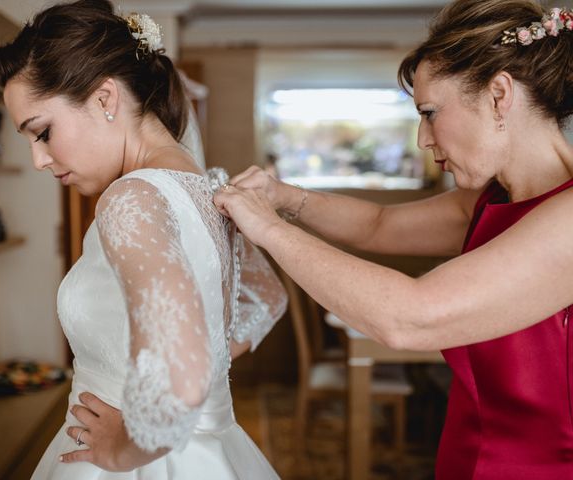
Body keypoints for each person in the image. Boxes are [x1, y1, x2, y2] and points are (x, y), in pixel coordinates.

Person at [214, 1, 573, 478]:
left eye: (429, 113)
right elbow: (377, 225)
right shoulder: (492, 198)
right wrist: (281, 196)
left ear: (499, 95)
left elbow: (411, 318)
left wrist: (269, 229)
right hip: (463, 458)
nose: (423, 139)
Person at [0, 0, 287, 478]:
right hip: (210, 451)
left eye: (42, 132)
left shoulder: (131, 198)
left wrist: (128, 448)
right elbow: (267, 298)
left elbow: (183, 373)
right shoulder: (208, 188)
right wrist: (210, 364)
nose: (39, 161)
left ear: (105, 98)